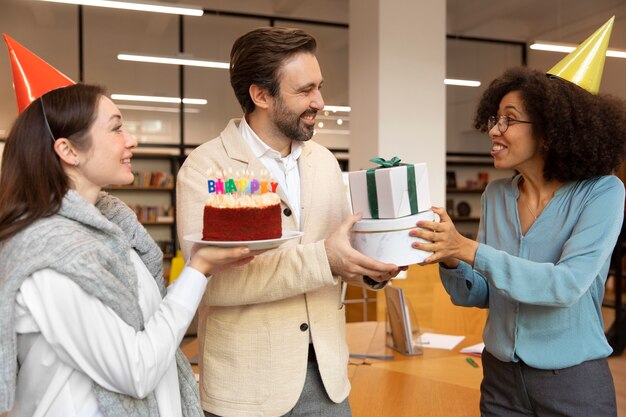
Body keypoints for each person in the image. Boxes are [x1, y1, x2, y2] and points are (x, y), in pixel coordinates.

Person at [0, 36, 258, 417]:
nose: (132, 140)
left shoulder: (112, 234)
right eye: (116, 128)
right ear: (68, 150)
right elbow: (137, 370)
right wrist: (198, 268)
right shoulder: (52, 255)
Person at [176, 26, 402, 416]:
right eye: (304, 91)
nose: (320, 101)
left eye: (319, 86)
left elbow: (336, 253)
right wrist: (326, 260)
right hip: (248, 391)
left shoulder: (325, 162)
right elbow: (214, 282)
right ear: (261, 95)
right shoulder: (206, 168)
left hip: (329, 381)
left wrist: (369, 269)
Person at [410, 20, 626, 417]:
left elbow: (565, 286)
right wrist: (453, 257)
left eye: (509, 119)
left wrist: (470, 249)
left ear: (549, 133)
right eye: (494, 119)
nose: (495, 129)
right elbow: (481, 294)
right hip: (500, 379)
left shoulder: (602, 192)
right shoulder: (496, 194)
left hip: (573, 381)